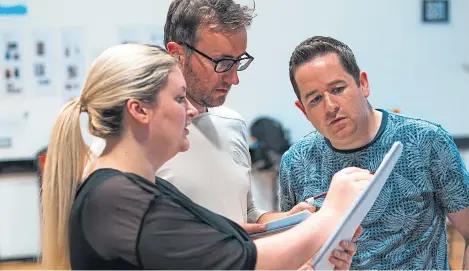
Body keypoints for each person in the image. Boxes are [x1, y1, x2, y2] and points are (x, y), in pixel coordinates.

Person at [40, 43, 371, 270]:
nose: (191, 109)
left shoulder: (140, 189)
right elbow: (241, 261)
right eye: (179, 98)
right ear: (139, 110)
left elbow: (226, 240)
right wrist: (331, 217)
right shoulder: (116, 199)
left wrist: (298, 231)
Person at [89, 0, 316, 233]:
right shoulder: (133, 139)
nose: (234, 78)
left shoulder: (233, 125)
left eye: (239, 61)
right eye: (223, 62)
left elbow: (246, 214)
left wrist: (288, 220)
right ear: (178, 55)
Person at [279, 35, 469, 270]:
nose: (330, 106)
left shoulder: (426, 141)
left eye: (338, 89)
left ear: (363, 84)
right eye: (315, 99)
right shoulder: (296, 162)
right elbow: (292, 252)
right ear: (303, 110)